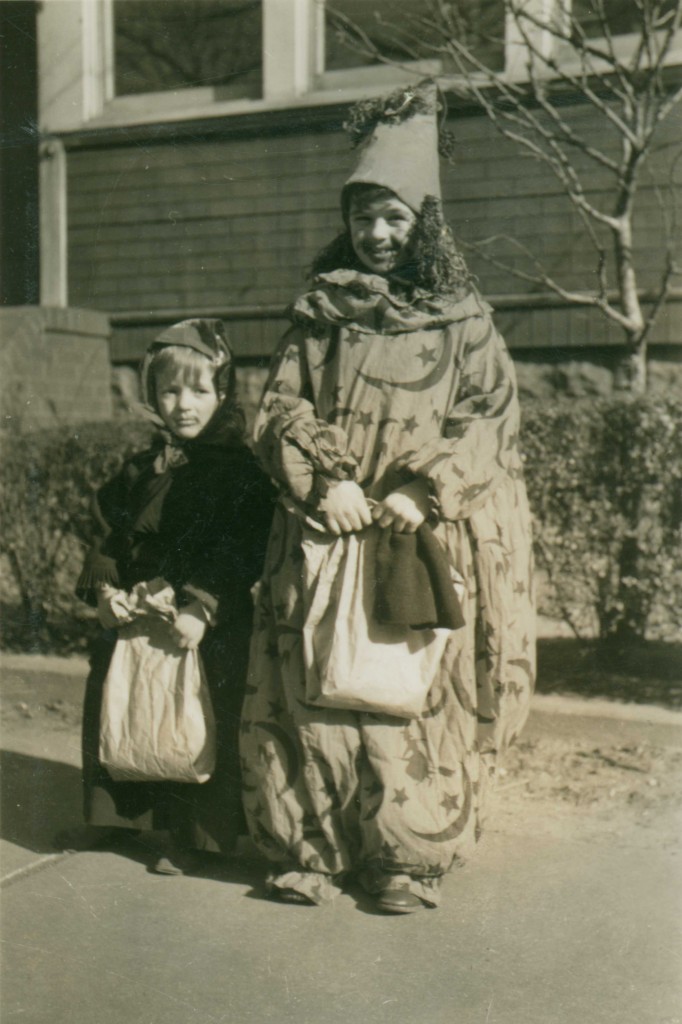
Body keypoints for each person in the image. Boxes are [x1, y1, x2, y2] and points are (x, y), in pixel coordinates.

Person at [240, 81, 536, 913]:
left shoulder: (464, 320)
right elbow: (277, 408)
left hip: (418, 532)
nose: (377, 234)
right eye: (365, 216)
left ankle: (402, 859)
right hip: (324, 526)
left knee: (408, 697)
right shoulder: (320, 312)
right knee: (313, 689)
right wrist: (324, 481)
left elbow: (490, 420)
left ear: (424, 227)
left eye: (395, 219)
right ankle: (310, 849)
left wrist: (423, 489)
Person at [72, 319, 274, 874]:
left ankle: (194, 836)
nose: (184, 405)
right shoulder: (140, 468)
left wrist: (203, 605)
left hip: (203, 616)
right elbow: (108, 534)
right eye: (170, 391)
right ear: (151, 396)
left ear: (223, 393)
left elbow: (241, 547)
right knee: (125, 699)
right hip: (137, 611)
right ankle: (124, 818)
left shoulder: (239, 471)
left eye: (199, 390)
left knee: (195, 712)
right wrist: (106, 592)